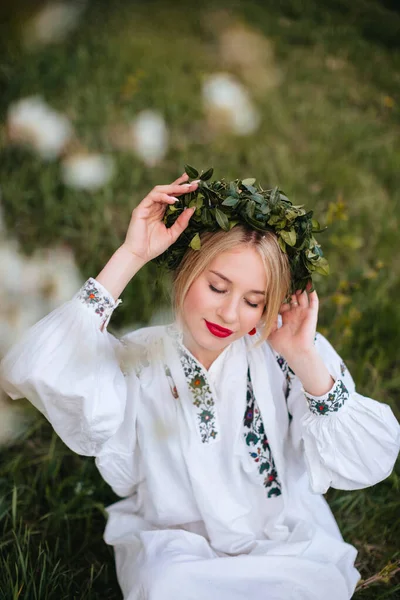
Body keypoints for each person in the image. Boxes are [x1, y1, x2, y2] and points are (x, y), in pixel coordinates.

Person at [1, 171, 399, 600]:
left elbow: (368, 461)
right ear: (186, 273)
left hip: (279, 536)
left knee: (307, 584)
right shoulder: (137, 358)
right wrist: (131, 254)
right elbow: (35, 367)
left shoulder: (281, 354)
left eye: (253, 301)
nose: (229, 313)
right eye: (217, 287)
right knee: (166, 586)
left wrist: (302, 357)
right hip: (178, 544)